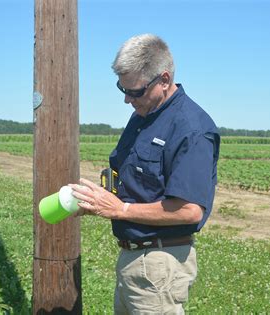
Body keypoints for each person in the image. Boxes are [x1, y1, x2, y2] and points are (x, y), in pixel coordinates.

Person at [70, 34, 220, 314]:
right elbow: (137, 184)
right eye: (122, 89)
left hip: (159, 263)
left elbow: (189, 211)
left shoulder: (192, 129)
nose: (127, 99)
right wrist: (98, 201)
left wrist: (121, 209)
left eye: (136, 91)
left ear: (164, 79)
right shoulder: (143, 116)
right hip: (132, 258)